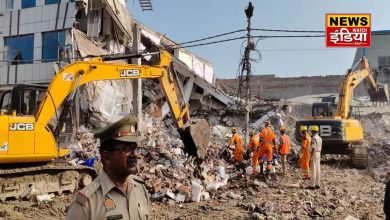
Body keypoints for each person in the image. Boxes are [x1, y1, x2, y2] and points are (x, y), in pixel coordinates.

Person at [66, 114, 150, 220]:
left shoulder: (140, 189)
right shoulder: (86, 205)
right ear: (106, 157)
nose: (136, 155)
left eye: (135, 149)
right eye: (126, 149)